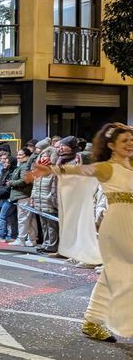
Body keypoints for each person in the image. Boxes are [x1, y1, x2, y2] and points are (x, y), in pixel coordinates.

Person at [31, 123, 133, 342]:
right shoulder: (107, 167)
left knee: (115, 274)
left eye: (131, 140)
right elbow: (77, 171)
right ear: (111, 145)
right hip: (117, 224)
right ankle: (93, 321)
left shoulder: (131, 165)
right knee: (116, 272)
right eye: (124, 140)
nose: (130, 144)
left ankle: (92, 320)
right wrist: (50, 169)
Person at [6, 148, 34, 247]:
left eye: (21, 155)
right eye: (18, 154)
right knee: (29, 219)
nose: (18, 157)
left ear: (27, 156)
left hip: (23, 194)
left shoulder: (25, 166)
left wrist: (11, 183)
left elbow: (24, 180)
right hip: (23, 195)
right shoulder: (23, 165)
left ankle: (21, 239)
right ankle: (32, 239)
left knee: (23, 218)